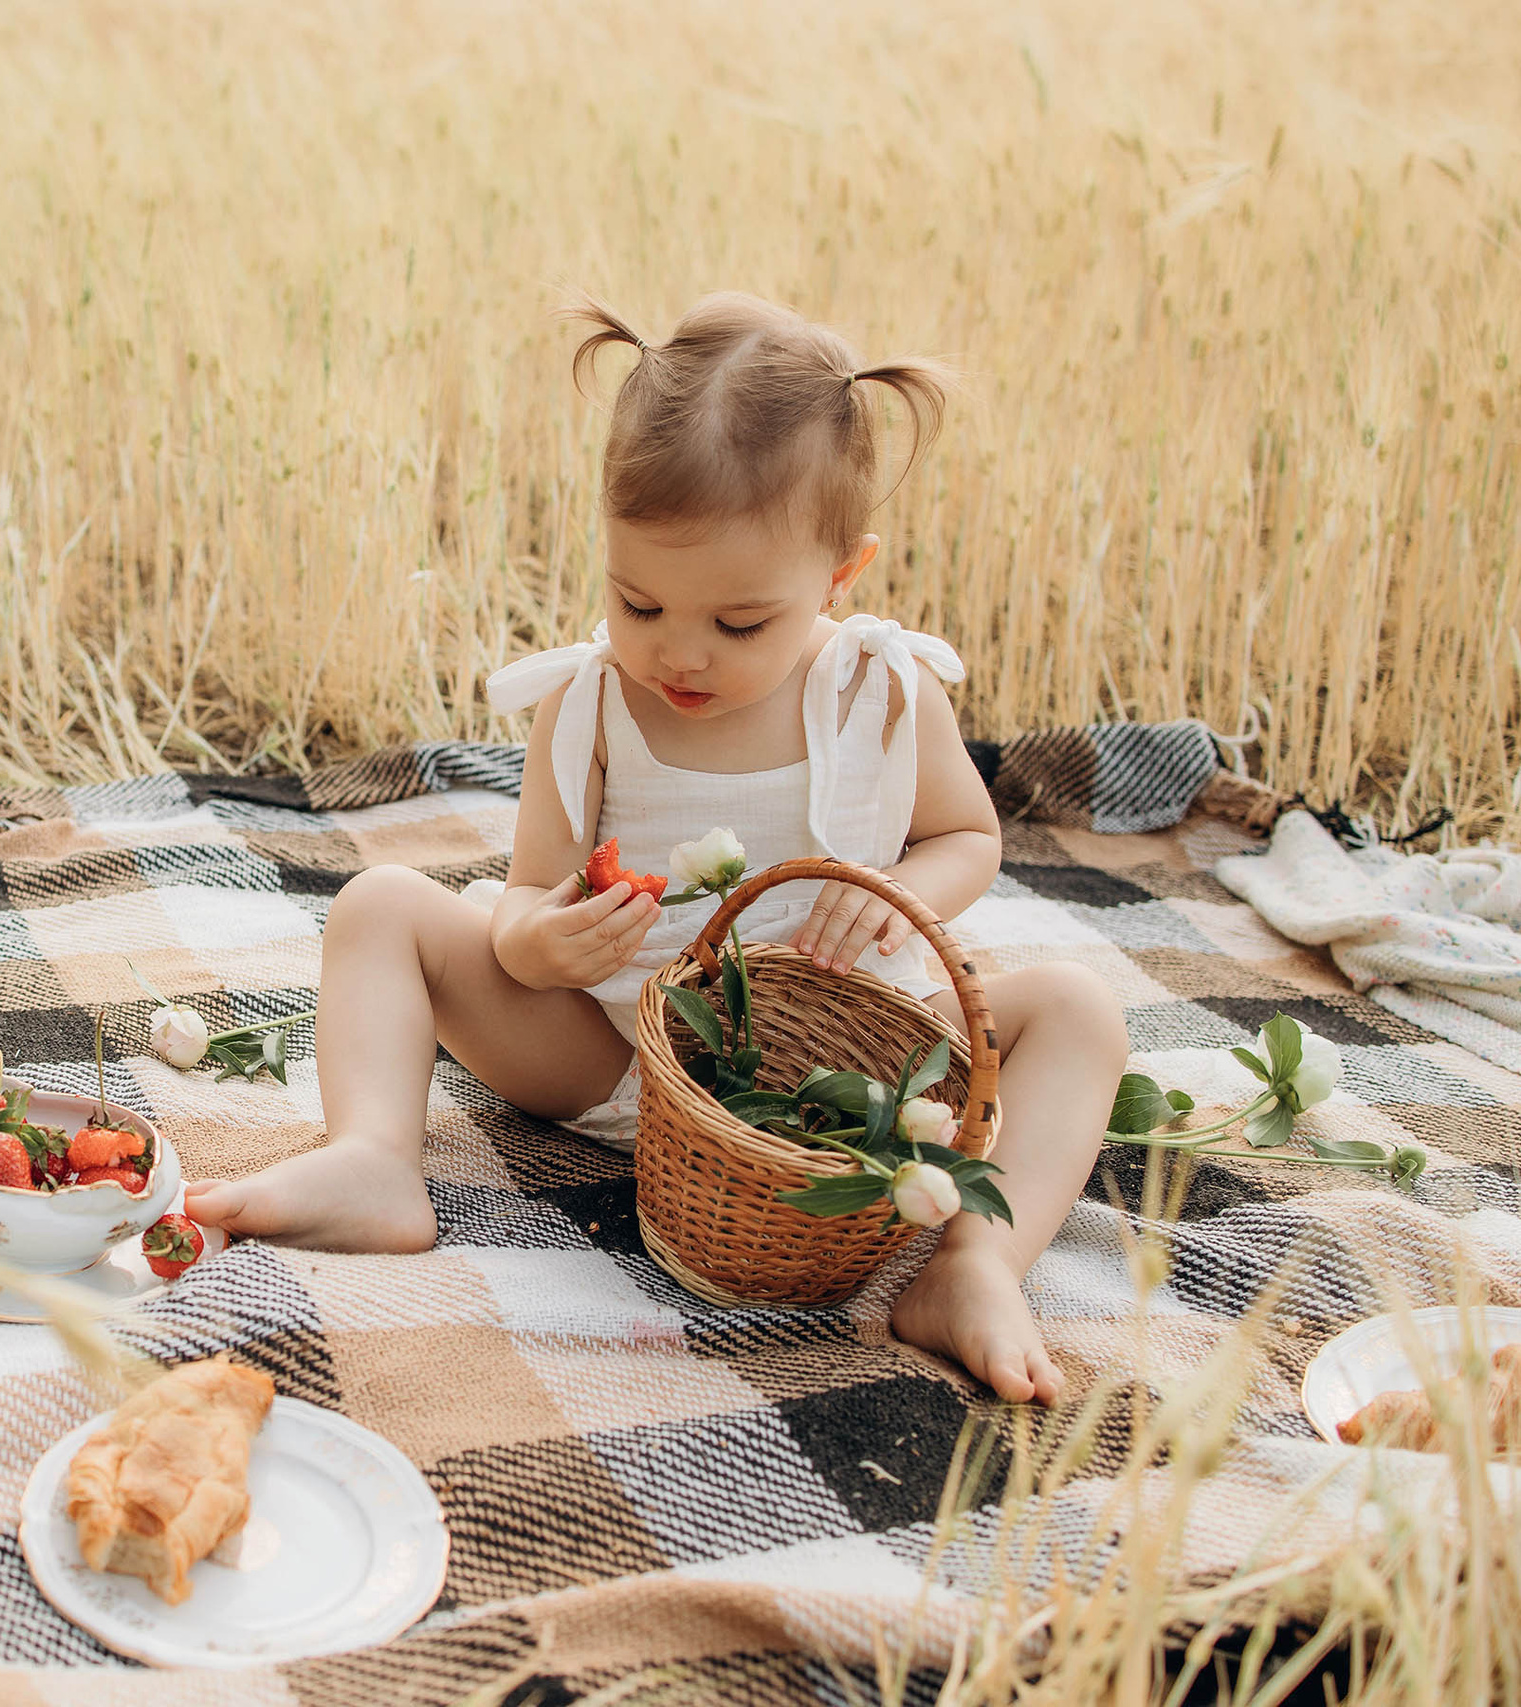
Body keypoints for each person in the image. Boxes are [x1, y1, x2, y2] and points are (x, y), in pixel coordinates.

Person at [184, 292, 1126, 1405]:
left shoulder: (879, 688)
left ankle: (970, 1263)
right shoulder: (588, 704)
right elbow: (528, 897)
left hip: (846, 1085)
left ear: (839, 577)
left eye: (739, 624)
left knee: (1076, 1009)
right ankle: (378, 1158)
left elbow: (966, 835)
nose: (680, 653)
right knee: (382, 904)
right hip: (612, 1054)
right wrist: (544, 948)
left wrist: (898, 888)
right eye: (638, 603)